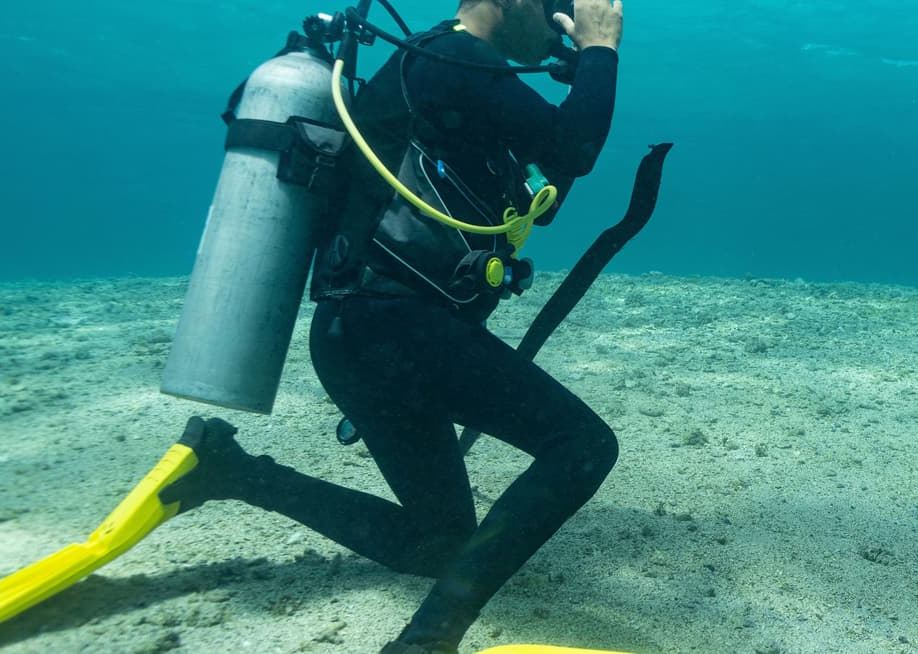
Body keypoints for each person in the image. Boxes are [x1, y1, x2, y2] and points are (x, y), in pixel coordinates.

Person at [159, 1, 627, 652]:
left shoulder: (441, 68)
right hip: (402, 330)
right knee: (582, 446)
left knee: (441, 543)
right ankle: (426, 640)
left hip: (361, 338)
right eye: (552, 6)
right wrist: (602, 48)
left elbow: (539, 196)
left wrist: (579, 78)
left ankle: (235, 472)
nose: (557, 22)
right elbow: (575, 149)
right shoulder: (460, 60)